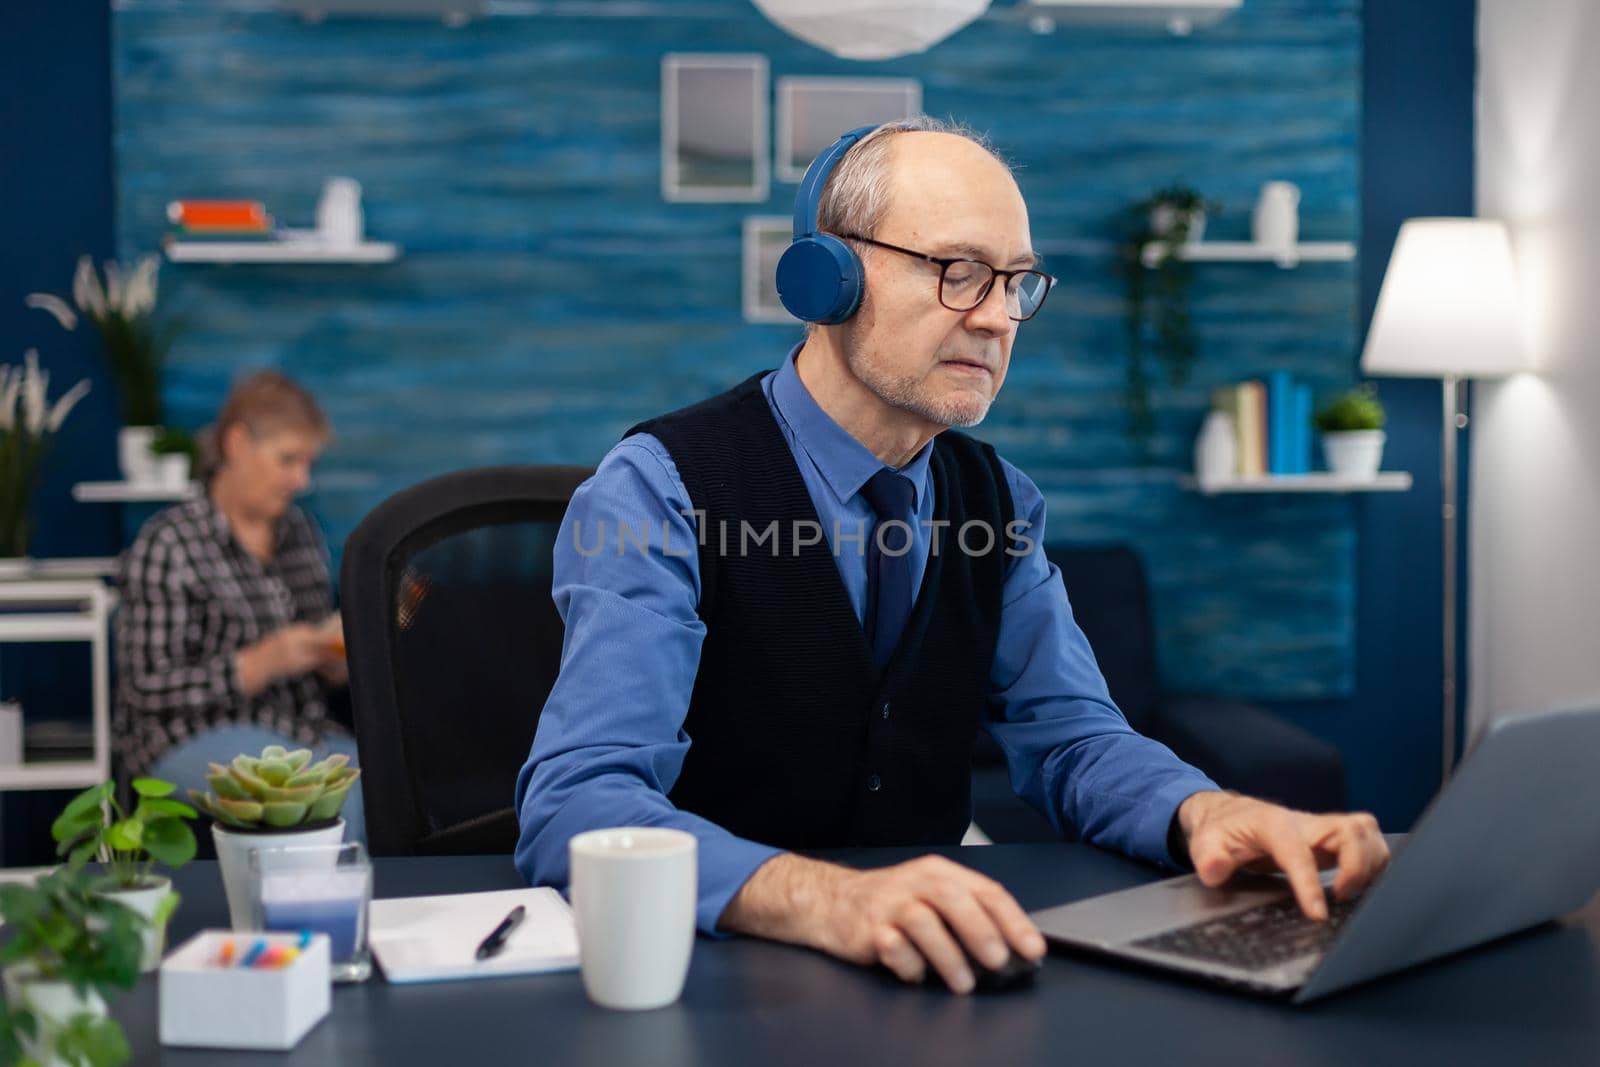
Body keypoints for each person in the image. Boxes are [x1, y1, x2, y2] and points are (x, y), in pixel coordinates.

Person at [514, 119, 1387, 993]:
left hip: (931, 977)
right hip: (707, 978)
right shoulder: (658, 487)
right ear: (827, 279)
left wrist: (1207, 809)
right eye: (958, 272)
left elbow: (1074, 739)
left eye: (1016, 282)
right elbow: (579, 803)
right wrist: (825, 897)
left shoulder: (999, 502)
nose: (998, 316)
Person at [114, 370, 364, 842]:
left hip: (297, 728)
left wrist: (332, 657)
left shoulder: (300, 533)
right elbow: (145, 688)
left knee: (382, 781)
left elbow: (314, 642)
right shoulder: (169, 543)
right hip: (187, 735)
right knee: (321, 792)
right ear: (236, 444)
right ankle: (320, 912)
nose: (300, 479)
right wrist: (257, 664)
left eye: (307, 463)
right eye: (288, 459)